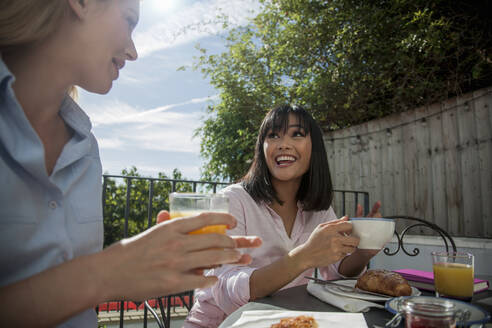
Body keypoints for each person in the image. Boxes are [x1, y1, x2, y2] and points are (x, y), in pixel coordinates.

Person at [0, 1, 261, 327]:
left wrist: (147, 267)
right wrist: (110, 273)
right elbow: (93, 279)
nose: (134, 51)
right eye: (128, 21)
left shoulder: (84, 148)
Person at [183, 105, 383, 327]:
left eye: (296, 134)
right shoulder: (231, 200)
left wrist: (362, 252)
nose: (283, 144)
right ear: (263, 147)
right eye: (273, 135)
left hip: (283, 320)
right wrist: (303, 257)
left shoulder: (318, 209)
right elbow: (226, 290)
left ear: (314, 148)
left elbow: (335, 273)